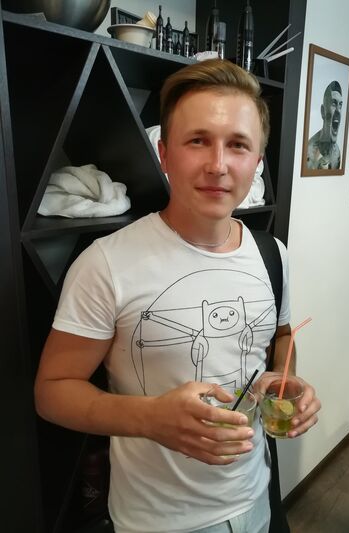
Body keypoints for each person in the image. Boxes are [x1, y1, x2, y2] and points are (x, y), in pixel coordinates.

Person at [34, 58, 321, 533]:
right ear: (165, 155)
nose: (218, 165)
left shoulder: (273, 255)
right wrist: (152, 418)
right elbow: (52, 392)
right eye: (198, 141)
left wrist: (283, 380)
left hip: (257, 500)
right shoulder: (105, 263)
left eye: (238, 145)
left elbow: (283, 336)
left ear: (257, 163)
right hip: (157, 520)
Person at [307, 80, 343, 170]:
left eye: (340, 105)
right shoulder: (309, 151)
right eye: (333, 104)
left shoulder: (336, 153)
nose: (338, 111)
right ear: (323, 111)